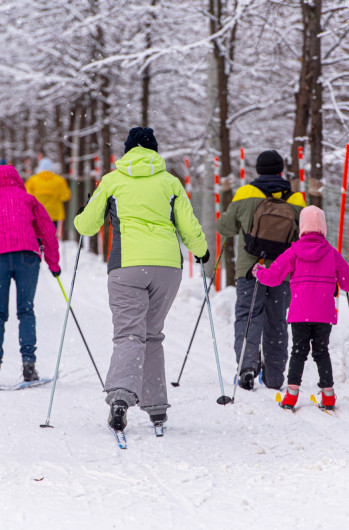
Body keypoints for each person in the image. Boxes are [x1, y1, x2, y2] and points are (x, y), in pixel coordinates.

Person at [74, 127, 208, 432]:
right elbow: (188, 225)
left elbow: (87, 226)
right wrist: (201, 251)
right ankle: (157, 407)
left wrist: (82, 215)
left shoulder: (112, 180)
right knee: (151, 334)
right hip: (167, 268)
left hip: (127, 267)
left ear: (128, 150)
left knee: (129, 335)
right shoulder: (170, 182)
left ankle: (120, 399)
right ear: (155, 150)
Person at [216, 149, 306, 391]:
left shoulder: (246, 193)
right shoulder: (296, 199)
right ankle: (275, 375)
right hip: (283, 271)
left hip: (250, 269)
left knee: (247, 316)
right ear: (281, 170)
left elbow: (224, 227)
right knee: (277, 320)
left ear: (257, 170)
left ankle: (246, 368)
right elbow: (303, 235)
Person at [253, 206, 349, 410]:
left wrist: (259, 272)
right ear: (323, 228)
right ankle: (328, 396)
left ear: (302, 227)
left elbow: (273, 278)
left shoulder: (294, 252)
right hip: (324, 315)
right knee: (321, 352)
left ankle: (291, 396)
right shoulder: (331, 253)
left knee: (298, 352)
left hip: (300, 313)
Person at [0, 164, 61, 383]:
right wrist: (53, 263)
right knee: (26, 311)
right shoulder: (29, 200)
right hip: (28, 257)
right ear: (18, 179)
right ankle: (29, 365)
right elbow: (48, 231)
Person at [25, 157, 71, 233]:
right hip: (54, 214)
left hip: (37, 213)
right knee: (51, 235)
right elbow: (66, 196)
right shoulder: (59, 180)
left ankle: (40, 244)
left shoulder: (32, 180)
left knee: (38, 236)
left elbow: (27, 196)